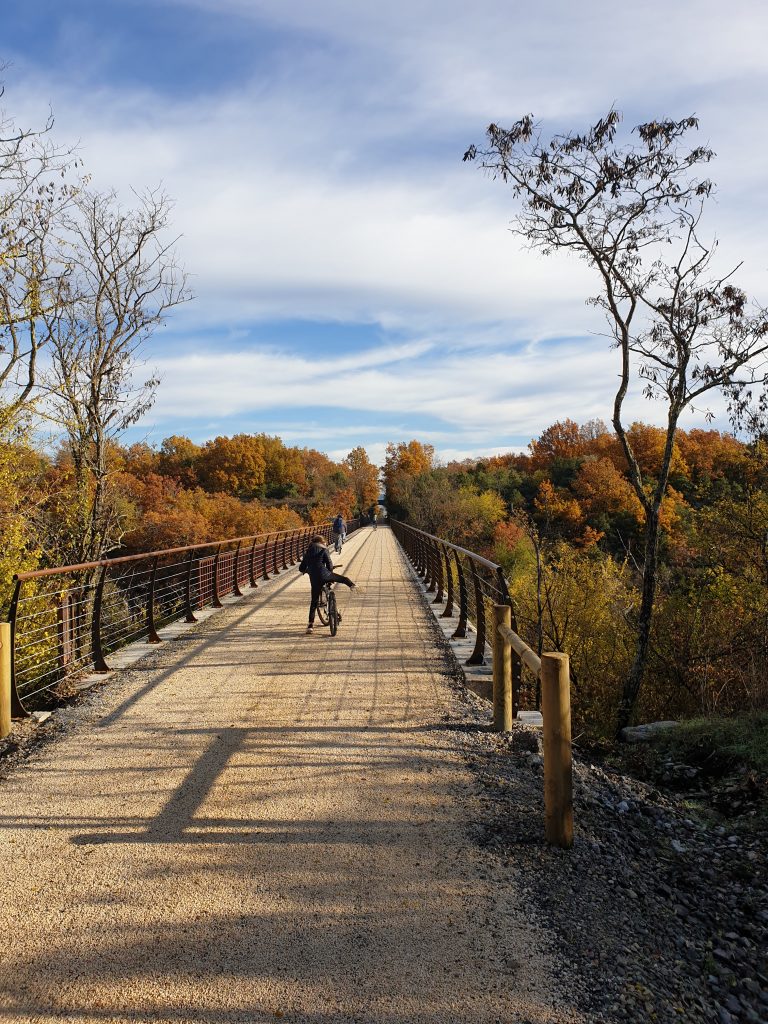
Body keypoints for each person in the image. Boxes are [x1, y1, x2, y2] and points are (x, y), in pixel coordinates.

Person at [299, 534, 356, 633]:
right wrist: (330, 572)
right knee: (342, 578)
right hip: (325, 575)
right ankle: (352, 585)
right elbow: (329, 564)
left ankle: (310, 625)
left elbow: (301, 568)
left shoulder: (307, 552)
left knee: (314, 601)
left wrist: (307, 570)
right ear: (322, 542)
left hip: (315, 579)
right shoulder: (324, 550)